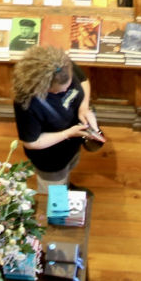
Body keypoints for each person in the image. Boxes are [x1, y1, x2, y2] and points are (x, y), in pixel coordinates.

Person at [11, 45, 102, 190]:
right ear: (43, 87)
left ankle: (65, 185)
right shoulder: (27, 104)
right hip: (51, 159)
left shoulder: (61, 65)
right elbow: (32, 142)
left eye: (69, 84)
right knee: (53, 193)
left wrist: (84, 107)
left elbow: (84, 81)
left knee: (66, 174)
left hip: (72, 144)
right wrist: (67, 133)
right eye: (59, 90)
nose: (67, 89)